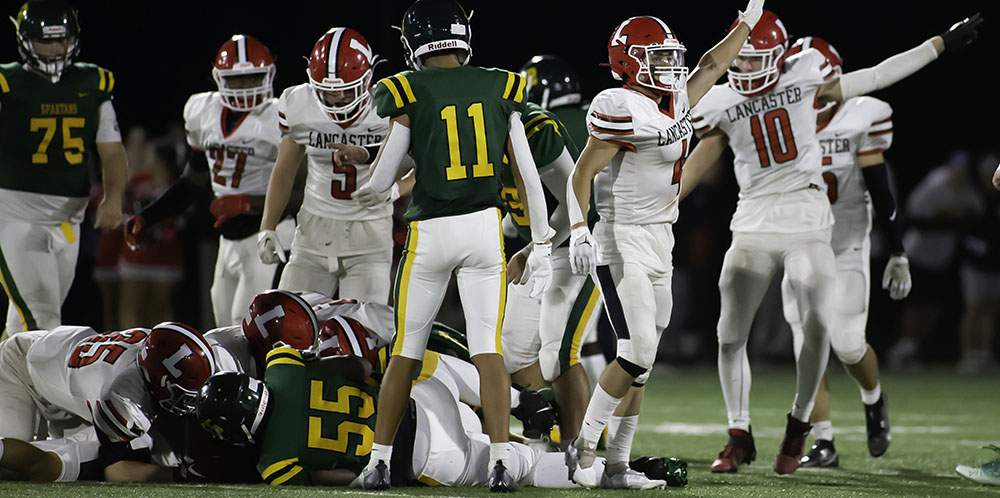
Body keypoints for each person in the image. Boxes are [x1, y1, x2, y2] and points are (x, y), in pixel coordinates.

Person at [679, 10, 982, 475]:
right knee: (733, 334)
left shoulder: (810, 84)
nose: (740, 68)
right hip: (754, 224)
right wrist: (663, 201)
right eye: (736, 61)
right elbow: (698, 146)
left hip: (816, 227)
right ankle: (763, 436)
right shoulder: (722, 99)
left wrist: (940, 42)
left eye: (750, 59)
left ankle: (818, 420)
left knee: (829, 329)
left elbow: (880, 75)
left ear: (781, 60)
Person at [350, 0, 556, 491]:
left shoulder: (404, 88)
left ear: (415, 42)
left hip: (431, 235)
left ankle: (378, 462)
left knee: (405, 351)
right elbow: (527, 174)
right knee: (488, 351)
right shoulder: (500, 84)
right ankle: (503, 459)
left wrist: (362, 176)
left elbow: (382, 180)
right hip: (486, 230)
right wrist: (543, 241)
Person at [564, 3, 766, 489]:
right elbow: (582, 173)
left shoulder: (671, 97)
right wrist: (578, 228)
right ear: (629, 61)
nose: (670, 65)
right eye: (657, 56)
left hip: (661, 238)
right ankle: (583, 450)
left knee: (645, 364)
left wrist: (746, 23)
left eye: (670, 55)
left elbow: (713, 64)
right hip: (622, 238)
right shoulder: (619, 104)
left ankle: (618, 465)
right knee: (635, 351)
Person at [769, 37, 908, 468]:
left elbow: (879, 188)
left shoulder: (857, 118)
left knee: (848, 345)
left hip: (846, 243)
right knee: (808, 345)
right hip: (801, 246)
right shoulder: (781, 122)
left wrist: (897, 251)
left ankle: (873, 397)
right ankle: (823, 442)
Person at [125, 34, 290, 327]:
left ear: (269, 75)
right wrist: (150, 216)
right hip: (229, 238)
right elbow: (193, 181)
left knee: (247, 324)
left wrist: (246, 202)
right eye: (236, 80)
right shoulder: (204, 112)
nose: (245, 87)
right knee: (223, 323)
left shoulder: (279, 117)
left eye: (253, 78)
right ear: (218, 78)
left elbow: (301, 193)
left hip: (269, 235)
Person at [0, 0, 127, 334]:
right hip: (15, 214)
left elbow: (112, 153)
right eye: (46, 40)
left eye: (61, 40)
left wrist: (113, 198)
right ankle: (39, 388)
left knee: (27, 317)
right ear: (25, 40)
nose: (56, 49)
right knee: (41, 316)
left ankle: (6, 385)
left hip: (69, 219)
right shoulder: (7, 82)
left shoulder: (92, 82)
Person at [259, 27, 405, 303]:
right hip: (312, 234)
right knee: (288, 327)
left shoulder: (389, 104)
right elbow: (284, 171)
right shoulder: (298, 104)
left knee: (361, 334)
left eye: (347, 91)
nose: (338, 99)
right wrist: (267, 226)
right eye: (328, 92)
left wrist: (396, 189)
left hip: (369, 236)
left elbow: (423, 161)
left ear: (368, 79)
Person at [0, 322, 216, 481]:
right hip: (20, 367)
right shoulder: (124, 396)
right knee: (13, 468)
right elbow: (117, 470)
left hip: (58, 368)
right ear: (157, 380)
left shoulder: (157, 350)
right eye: (184, 394)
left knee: (158, 454)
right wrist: (185, 475)